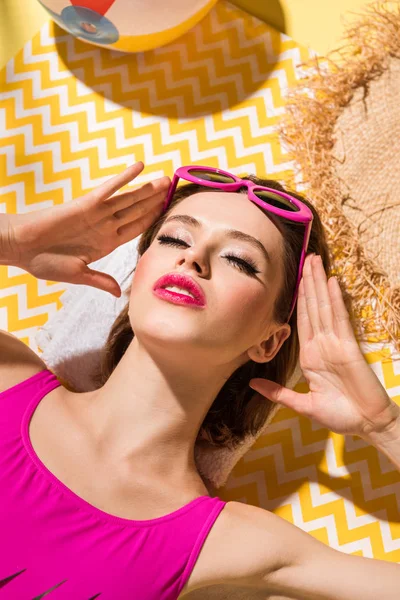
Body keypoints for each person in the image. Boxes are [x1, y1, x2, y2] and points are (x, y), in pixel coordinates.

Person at [0, 161, 399, 599]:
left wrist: (384, 426)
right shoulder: (7, 373)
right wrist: (13, 240)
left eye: (240, 260)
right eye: (174, 239)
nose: (193, 258)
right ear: (136, 280)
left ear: (269, 342)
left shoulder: (225, 540)